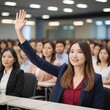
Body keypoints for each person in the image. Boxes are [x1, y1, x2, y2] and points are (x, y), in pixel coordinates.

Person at [15, 10, 104, 109]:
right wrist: (19, 32)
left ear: (87, 56)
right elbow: (37, 60)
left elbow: (98, 107)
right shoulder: (62, 71)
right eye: (72, 51)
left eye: (79, 52)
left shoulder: (95, 79)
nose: (74, 55)